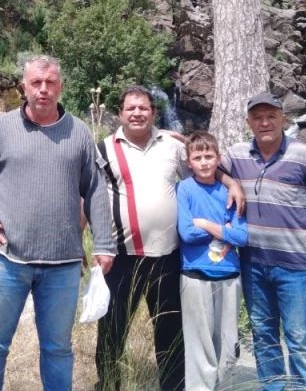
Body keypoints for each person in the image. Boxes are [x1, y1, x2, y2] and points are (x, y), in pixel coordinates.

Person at [0, 55, 115, 391]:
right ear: (23, 87)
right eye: (36, 83)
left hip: (62, 265)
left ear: (60, 87)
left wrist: (104, 244)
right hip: (6, 259)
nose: (43, 89)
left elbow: (95, 189)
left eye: (50, 82)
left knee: (58, 349)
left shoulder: (79, 133)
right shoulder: (0, 129)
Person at [95, 86, 245, 391]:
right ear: (119, 114)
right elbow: (88, 194)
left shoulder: (172, 146)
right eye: (130, 108)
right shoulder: (104, 149)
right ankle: (109, 384)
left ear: (154, 112)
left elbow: (203, 167)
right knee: (112, 328)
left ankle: (173, 387)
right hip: (122, 255)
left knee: (170, 330)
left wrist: (232, 183)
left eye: (143, 108)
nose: (137, 113)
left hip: (167, 256)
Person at [221, 92, 306, 391]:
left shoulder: (305, 156)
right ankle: (273, 387)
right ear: (248, 122)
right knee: (263, 334)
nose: (264, 123)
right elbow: (205, 166)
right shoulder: (236, 155)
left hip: (296, 266)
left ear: (283, 119)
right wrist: (230, 181)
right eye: (257, 117)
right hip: (253, 263)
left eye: (271, 116)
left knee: (298, 338)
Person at [177, 131, 247, 391]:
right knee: (199, 342)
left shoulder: (230, 191)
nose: (204, 162)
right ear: (189, 162)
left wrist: (206, 224)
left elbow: (242, 236)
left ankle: (224, 385)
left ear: (218, 159)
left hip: (229, 274)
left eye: (209, 156)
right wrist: (223, 229)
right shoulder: (185, 189)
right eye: (198, 158)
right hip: (195, 273)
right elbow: (186, 232)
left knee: (228, 340)